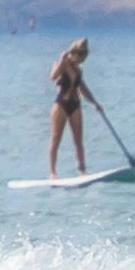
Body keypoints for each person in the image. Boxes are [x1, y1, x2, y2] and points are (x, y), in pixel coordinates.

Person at [47, 38, 103, 178]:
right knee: (56, 138)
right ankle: (52, 172)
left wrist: (95, 103)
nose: (81, 61)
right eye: (81, 57)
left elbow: (83, 89)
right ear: (75, 54)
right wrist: (61, 59)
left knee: (78, 140)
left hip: (75, 105)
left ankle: (82, 170)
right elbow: (53, 77)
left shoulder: (78, 70)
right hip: (61, 105)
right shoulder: (60, 64)